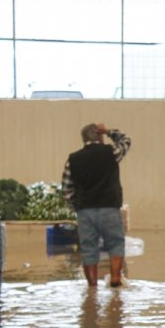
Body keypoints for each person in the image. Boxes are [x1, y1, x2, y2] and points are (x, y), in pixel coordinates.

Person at [62, 123, 131, 287]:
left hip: (85, 211)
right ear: (100, 136)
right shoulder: (110, 153)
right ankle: (115, 278)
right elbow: (126, 141)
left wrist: (76, 206)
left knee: (88, 249)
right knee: (115, 244)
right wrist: (109, 132)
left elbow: (66, 190)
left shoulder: (73, 159)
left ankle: (92, 286)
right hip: (109, 208)